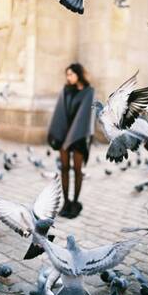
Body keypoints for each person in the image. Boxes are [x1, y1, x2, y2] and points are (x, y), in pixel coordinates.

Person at [48, 63, 95, 219]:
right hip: (64, 134)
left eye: (71, 74)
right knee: (64, 168)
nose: (68, 77)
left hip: (79, 135)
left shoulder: (89, 91)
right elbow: (59, 112)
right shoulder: (65, 90)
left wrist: (73, 135)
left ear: (78, 74)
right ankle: (66, 202)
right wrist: (57, 133)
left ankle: (75, 202)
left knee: (77, 170)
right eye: (67, 75)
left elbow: (84, 116)